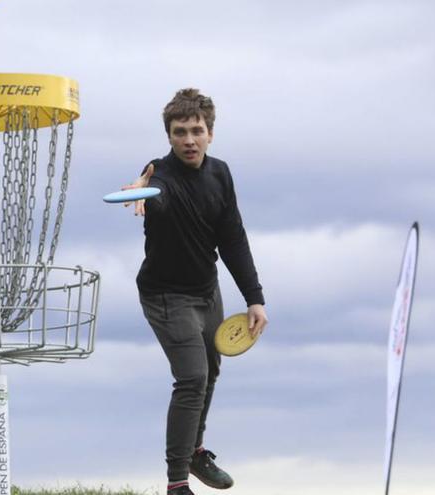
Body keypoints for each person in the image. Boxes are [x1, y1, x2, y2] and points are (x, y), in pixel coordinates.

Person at [123, 88, 269, 495]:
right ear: (169, 135)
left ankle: (195, 450)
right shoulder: (158, 177)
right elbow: (159, 199)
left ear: (210, 133)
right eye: (180, 132)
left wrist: (254, 297)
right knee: (192, 377)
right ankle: (177, 483)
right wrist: (143, 194)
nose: (189, 139)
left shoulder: (220, 174)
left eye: (196, 131)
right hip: (165, 294)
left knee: (212, 370)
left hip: (206, 290)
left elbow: (233, 239)